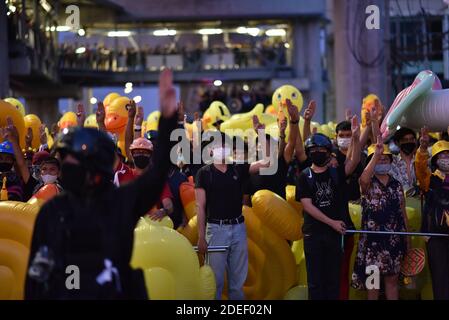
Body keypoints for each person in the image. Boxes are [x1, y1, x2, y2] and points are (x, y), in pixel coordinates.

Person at [25, 68, 178, 299]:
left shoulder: (119, 203)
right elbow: (35, 280)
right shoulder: (53, 212)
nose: (66, 166)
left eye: (73, 161)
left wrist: (168, 122)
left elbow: (156, 177)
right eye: (63, 160)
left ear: (95, 168)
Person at [195, 131, 271, 300]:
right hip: (216, 229)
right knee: (215, 281)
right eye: (217, 145)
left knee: (237, 284)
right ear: (210, 151)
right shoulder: (204, 173)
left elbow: (266, 162)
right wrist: (201, 236)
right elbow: (200, 206)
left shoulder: (238, 168)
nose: (222, 148)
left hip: (238, 228)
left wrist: (261, 131)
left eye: (224, 145)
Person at [296, 116, 361, 300]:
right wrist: (331, 222)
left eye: (321, 149)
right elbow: (307, 206)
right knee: (315, 283)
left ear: (328, 152)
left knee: (333, 281)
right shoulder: (304, 176)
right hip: (314, 235)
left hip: (334, 236)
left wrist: (356, 138)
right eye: (313, 150)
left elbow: (354, 161)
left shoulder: (336, 172)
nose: (317, 152)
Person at [352, 138, 408, 300]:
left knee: (392, 282)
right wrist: (376, 154)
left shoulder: (397, 185)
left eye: (386, 158)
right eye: (378, 158)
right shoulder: (367, 183)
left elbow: (402, 212)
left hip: (394, 240)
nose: (382, 160)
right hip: (372, 242)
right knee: (373, 284)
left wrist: (407, 241)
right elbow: (363, 179)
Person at [415, 127, 449, 299]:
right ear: (435, 160)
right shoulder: (429, 180)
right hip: (436, 235)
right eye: (442, 156)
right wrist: (422, 149)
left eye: (448, 155)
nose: (446, 159)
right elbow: (420, 169)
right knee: (440, 277)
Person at [390, 127, 418, 196]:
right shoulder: (392, 161)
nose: (409, 142)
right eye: (405, 140)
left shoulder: (420, 160)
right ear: (397, 143)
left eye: (412, 139)